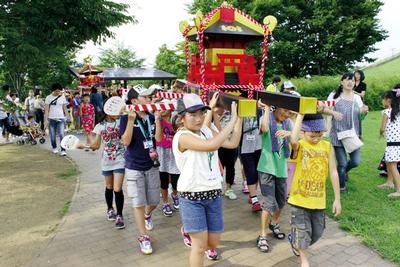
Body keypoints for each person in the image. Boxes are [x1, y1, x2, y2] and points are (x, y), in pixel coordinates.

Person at [172, 93, 242, 266]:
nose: (199, 118)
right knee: (200, 246)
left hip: (213, 194)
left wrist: (240, 118)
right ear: (182, 118)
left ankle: (188, 231)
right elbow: (211, 145)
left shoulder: (205, 130)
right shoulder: (182, 137)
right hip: (191, 197)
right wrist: (231, 121)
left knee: (213, 242)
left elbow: (232, 143)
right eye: (192, 114)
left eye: (202, 113)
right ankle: (190, 232)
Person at [288, 113, 341, 267]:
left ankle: (295, 240)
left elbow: (333, 172)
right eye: (312, 135)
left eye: (320, 134)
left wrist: (337, 199)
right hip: (299, 200)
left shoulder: (327, 146)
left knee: (317, 233)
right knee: (303, 232)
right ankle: (304, 261)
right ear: (302, 132)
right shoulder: (300, 145)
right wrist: (300, 116)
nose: (316, 138)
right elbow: (292, 139)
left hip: (318, 200)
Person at [120, 84, 162, 255]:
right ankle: (143, 237)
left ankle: (147, 215)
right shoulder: (126, 118)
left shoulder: (151, 116)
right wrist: (130, 121)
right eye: (145, 97)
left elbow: (158, 139)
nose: (149, 98)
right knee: (138, 202)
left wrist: (158, 119)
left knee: (154, 201)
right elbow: (125, 142)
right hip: (134, 167)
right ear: (134, 101)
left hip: (151, 164)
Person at [82, 100, 126, 228]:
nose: (118, 113)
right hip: (106, 160)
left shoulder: (121, 121)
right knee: (109, 187)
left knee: (118, 188)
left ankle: (119, 215)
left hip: (120, 159)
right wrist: (83, 145)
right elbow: (96, 145)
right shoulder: (100, 126)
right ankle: (110, 208)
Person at [256, 103, 292, 253]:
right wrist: (266, 108)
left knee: (281, 200)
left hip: (281, 168)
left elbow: (298, 137)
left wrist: (289, 132)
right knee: (268, 203)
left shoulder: (288, 123)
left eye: (289, 112)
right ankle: (262, 235)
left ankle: (274, 223)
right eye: (284, 109)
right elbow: (264, 129)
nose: (286, 114)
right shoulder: (267, 119)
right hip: (266, 168)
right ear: (276, 107)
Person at [327, 73, 368, 192]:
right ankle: (341, 187)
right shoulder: (334, 96)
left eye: (353, 81)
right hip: (337, 134)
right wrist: (333, 113)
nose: (350, 82)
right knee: (342, 163)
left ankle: (343, 172)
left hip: (352, 133)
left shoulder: (357, 97)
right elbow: (324, 109)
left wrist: (364, 111)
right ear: (342, 82)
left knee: (355, 161)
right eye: (347, 80)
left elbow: (360, 112)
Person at [156, 100, 180, 216]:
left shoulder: (176, 119)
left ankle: (175, 194)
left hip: (175, 152)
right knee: (163, 180)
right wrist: (157, 120)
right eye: (160, 107)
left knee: (176, 179)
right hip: (162, 153)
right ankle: (165, 203)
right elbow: (158, 138)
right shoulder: (157, 121)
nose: (162, 109)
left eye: (165, 107)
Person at [378, 87, 400, 197]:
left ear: (388, 100)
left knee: (392, 166)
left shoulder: (386, 112)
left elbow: (382, 128)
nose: (383, 101)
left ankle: (399, 191)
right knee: (388, 161)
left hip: (393, 144)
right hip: (396, 143)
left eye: (384, 99)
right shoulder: (397, 112)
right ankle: (389, 183)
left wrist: (381, 133)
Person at [240, 108, 262, 212]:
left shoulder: (259, 110)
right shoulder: (241, 109)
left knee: (257, 171)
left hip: (259, 144)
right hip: (245, 146)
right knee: (250, 171)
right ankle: (254, 200)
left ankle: (253, 195)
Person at [44, 83, 68, 156]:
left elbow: (65, 108)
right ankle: (54, 147)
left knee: (61, 134)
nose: (58, 92)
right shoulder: (48, 98)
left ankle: (63, 150)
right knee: (53, 135)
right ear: (53, 90)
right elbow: (46, 110)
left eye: (59, 91)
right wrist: (45, 120)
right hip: (51, 118)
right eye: (56, 91)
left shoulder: (62, 97)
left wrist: (67, 117)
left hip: (61, 118)